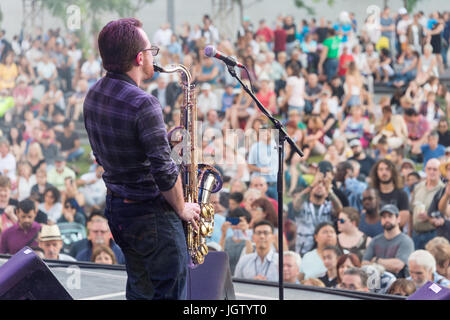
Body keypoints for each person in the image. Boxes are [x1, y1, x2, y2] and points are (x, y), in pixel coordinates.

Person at [83, 18, 200, 300]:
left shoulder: (93, 95)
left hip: (118, 209)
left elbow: (104, 153)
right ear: (139, 58)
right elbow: (163, 172)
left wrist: (162, 141)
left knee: (139, 291)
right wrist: (182, 208)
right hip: (151, 216)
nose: (153, 57)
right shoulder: (144, 103)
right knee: (169, 293)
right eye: (151, 50)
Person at [292, 172, 343, 255]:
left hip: (325, 250)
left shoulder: (329, 207)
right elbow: (296, 204)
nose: (319, 186)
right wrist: (312, 185)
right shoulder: (303, 205)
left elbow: (339, 210)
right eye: (317, 185)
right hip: (303, 249)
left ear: (327, 194)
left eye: (323, 186)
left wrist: (329, 190)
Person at [362, 204, 414, 278]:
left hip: (399, 284)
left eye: (390, 216)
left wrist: (376, 260)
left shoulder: (406, 241)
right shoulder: (375, 240)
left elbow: (397, 265)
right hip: (376, 283)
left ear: (398, 219)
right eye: (384, 217)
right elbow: (364, 264)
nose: (386, 220)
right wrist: (388, 264)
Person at [411, 158, 444, 249]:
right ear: (425, 170)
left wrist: (428, 217)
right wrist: (409, 233)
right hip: (415, 234)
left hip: (433, 234)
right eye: (429, 169)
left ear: (440, 172)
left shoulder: (443, 190)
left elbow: (445, 215)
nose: (431, 172)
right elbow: (411, 211)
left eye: (435, 169)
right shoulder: (418, 187)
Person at [369, 159, 411, 232]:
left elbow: (402, 220)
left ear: (392, 172)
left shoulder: (402, 194)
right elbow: (367, 218)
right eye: (381, 169)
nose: (384, 172)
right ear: (376, 173)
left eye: (387, 169)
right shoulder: (371, 193)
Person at [219, 207, 253, 275]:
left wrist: (245, 232)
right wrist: (223, 234)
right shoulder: (227, 240)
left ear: (248, 223)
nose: (238, 225)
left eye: (240, 221)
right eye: (235, 221)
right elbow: (219, 256)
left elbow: (249, 256)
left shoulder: (252, 240)